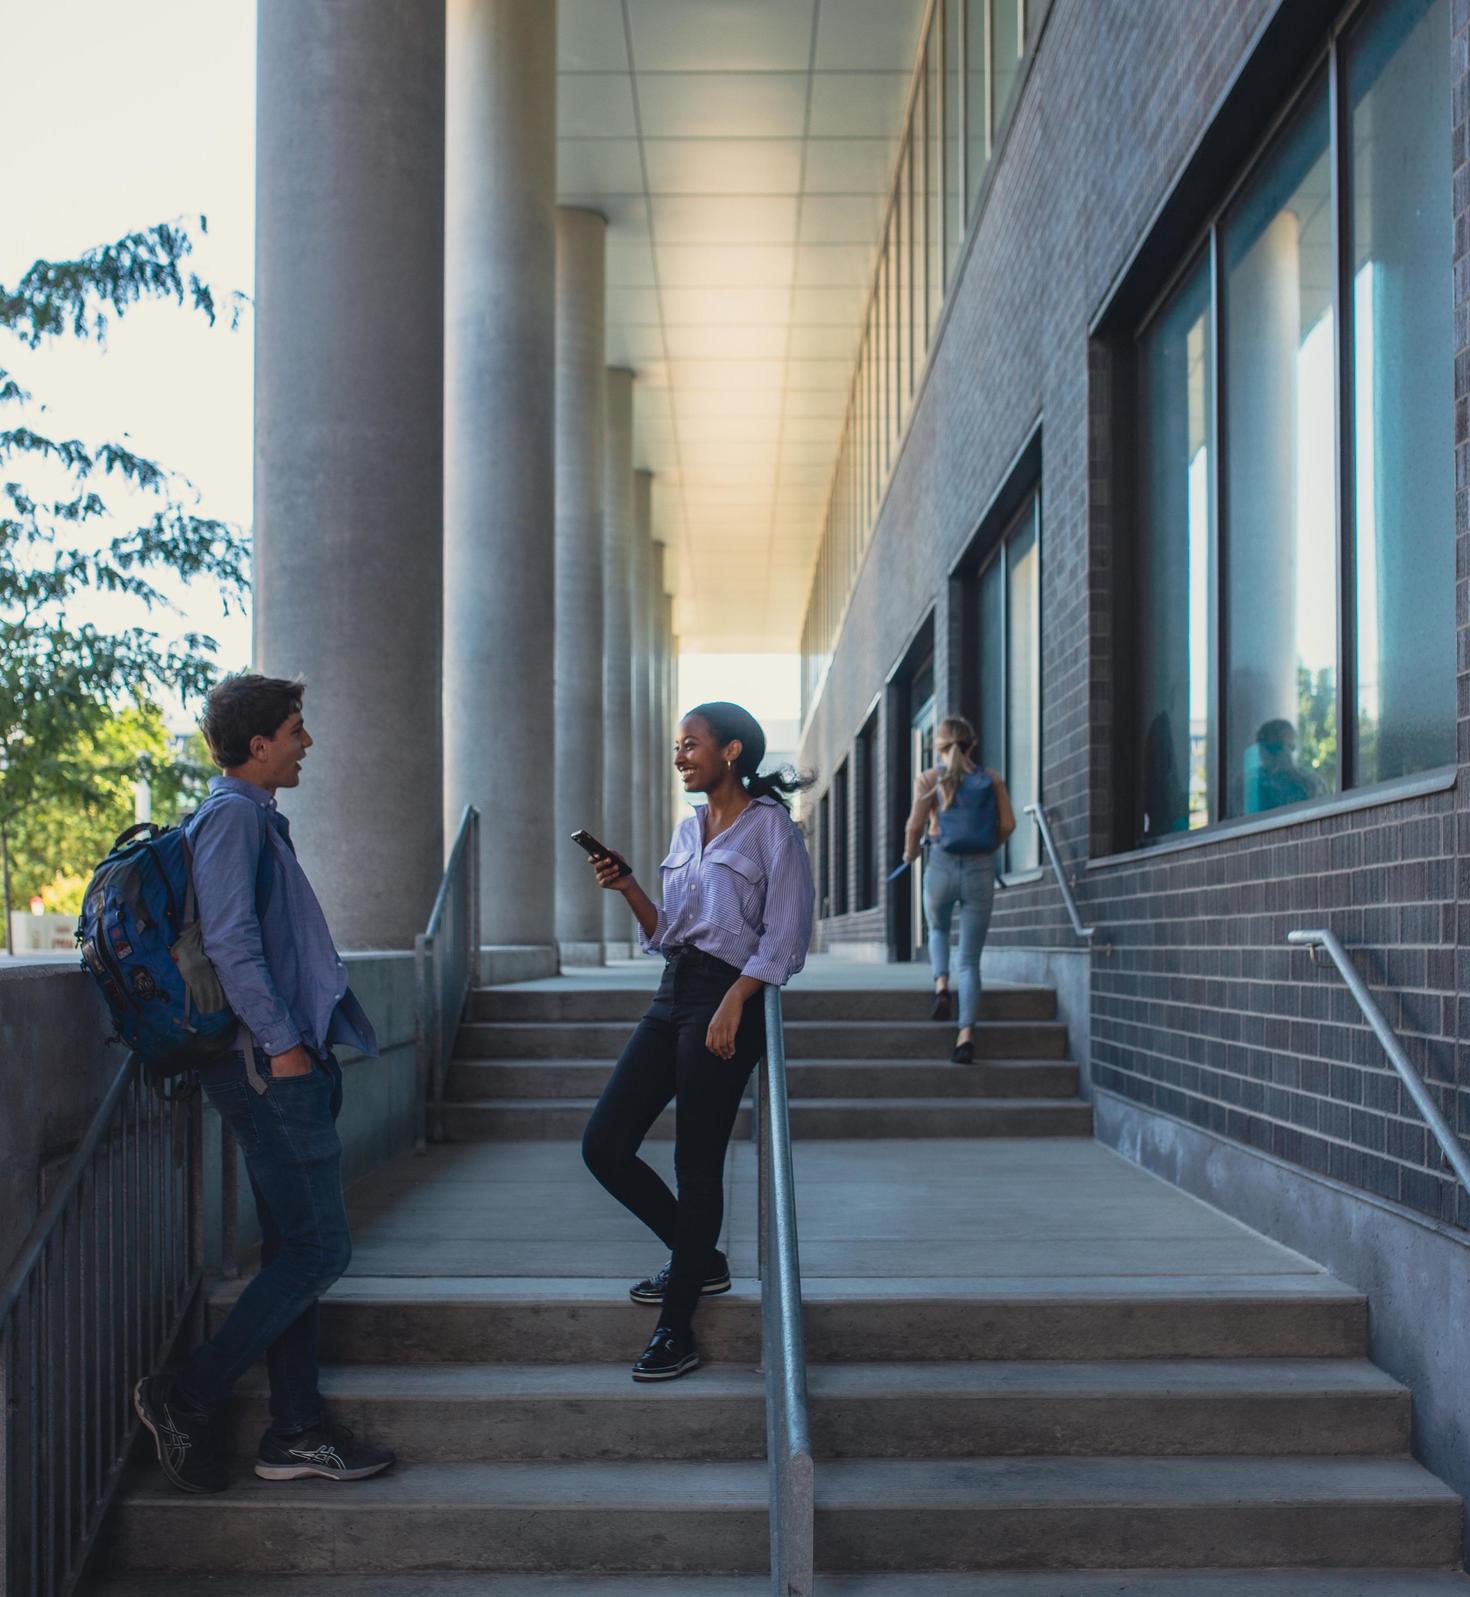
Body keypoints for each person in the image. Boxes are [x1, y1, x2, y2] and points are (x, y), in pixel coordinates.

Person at [133, 675, 394, 1493]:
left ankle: (294, 1429)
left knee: (294, 1247)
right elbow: (233, 941)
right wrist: (282, 1044)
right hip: (265, 1066)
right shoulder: (234, 816)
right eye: (295, 729)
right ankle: (187, 1393)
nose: (305, 742)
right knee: (322, 1248)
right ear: (258, 745)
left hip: (285, 1062)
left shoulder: (251, 819)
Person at [582, 701, 815, 1383]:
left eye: (692, 744)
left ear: (733, 751)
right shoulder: (689, 831)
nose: (681, 754)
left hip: (727, 998)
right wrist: (627, 885)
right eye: (678, 746)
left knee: (698, 1162)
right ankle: (698, 1257)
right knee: (604, 1142)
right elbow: (670, 931)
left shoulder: (772, 829)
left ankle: (675, 1327)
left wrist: (737, 999)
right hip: (673, 993)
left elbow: (788, 934)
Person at [903, 715, 1015, 1063]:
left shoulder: (930, 779)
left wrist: (910, 854)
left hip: (941, 864)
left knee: (936, 928)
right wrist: (987, 850)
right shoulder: (991, 779)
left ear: (938, 747)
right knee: (970, 961)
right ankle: (965, 1036)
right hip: (980, 869)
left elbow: (914, 826)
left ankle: (940, 986)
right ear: (972, 744)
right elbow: (1009, 824)